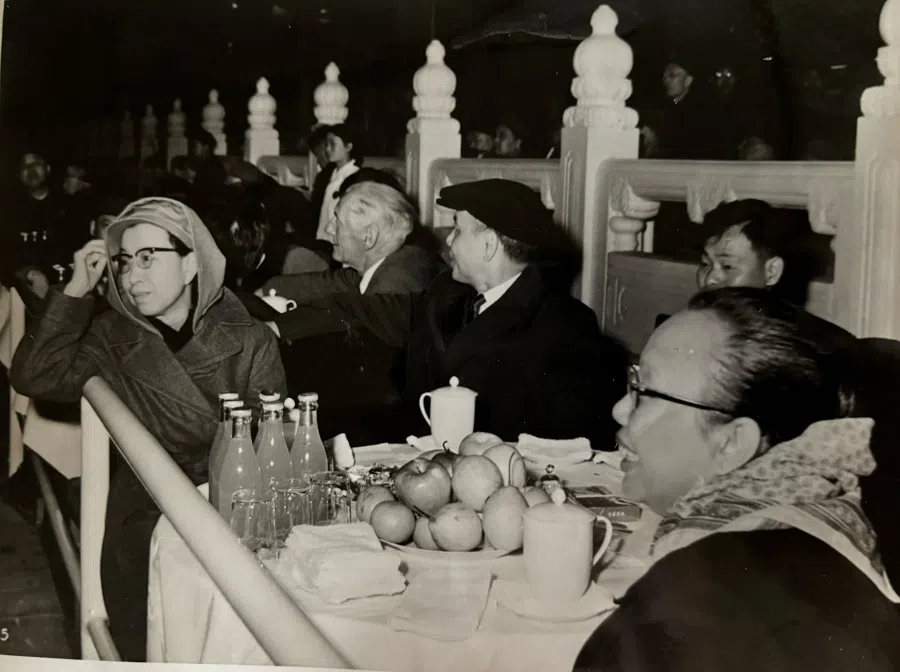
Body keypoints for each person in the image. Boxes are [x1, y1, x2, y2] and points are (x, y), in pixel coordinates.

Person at [9, 196, 286, 662]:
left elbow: (267, 451)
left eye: (147, 259)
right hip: (145, 514)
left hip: (235, 508)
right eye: (121, 263)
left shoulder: (250, 339)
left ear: (191, 264)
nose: (131, 277)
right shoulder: (109, 337)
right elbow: (34, 377)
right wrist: (77, 287)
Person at [573, 287, 900, 672]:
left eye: (643, 391)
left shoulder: (702, 598)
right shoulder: (808, 525)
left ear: (731, 443)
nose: (619, 409)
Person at [403, 178, 627, 449]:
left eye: (457, 229)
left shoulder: (566, 325)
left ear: (489, 245)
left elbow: (566, 444)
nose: (448, 240)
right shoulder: (445, 294)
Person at [696, 199, 853, 351]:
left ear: (772, 271)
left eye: (727, 266)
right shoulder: (697, 330)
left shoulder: (810, 349)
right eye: (705, 264)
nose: (710, 279)